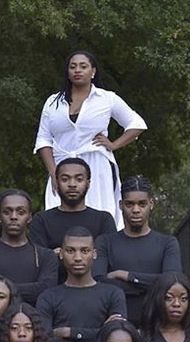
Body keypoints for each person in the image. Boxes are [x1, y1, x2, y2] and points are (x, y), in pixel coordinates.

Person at [34, 50, 146, 228]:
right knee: (58, 213)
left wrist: (114, 145)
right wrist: (53, 173)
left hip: (96, 165)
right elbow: (43, 140)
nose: (77, 70)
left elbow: (137, 123)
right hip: (61, 167)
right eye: (73, 67)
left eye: (83, 66)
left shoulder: (106, 99)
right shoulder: (53, 102)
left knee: (98, 211)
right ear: (68, 72)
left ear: (93, 71)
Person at [94, 176, 181, 326]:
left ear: (151, 204)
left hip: (158, 325)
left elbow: (171, 282)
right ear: (121, 205)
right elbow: (99, 283)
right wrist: (150, 286)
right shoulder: (105, 242)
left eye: (142, 204)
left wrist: (126, 276)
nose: (136, 210)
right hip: (116, 326)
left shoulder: (168, 243)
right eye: (129, 204)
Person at [36, 227, 126, 342]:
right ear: (61, 254)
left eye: (84, 251)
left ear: (94, 254)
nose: (78, 258)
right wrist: (100, 334)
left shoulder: (113, 294)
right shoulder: (47, 297)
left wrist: (69, 332)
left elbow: (117, 340)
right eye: (70, 251)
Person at [0, 190, 58, 305]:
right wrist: (29, 289)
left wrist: (0, 288)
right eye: (7, 212)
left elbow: (45, 290)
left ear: (29, 217)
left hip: (32, 321)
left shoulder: (46, 256)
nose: (13, 217)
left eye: (21, 212)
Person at [29, 157, 117, 255]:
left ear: (88, 183)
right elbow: (37, 259)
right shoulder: (41, 220)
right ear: (56, 183)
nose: (72, 184)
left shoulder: (103, 220)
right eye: (65, 179)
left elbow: (109, 257)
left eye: (79, 179)